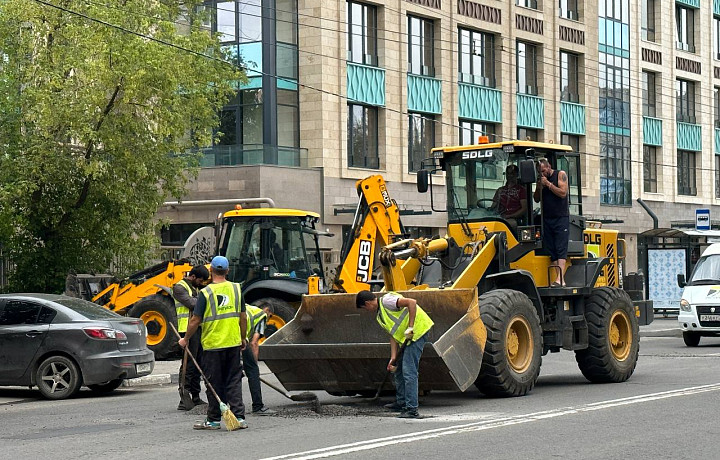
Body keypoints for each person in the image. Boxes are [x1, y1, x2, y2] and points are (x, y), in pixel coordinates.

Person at [179, 255, 249, 430]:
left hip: (213, 344)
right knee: (234, 380)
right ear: (228, 271)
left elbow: (195, 320)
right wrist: (243, 337)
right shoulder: (236, 289)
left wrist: (185, 339)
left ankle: (213, 420)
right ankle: (239, 417)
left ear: (210, 271)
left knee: (213, 382)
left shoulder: (206, 292)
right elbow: (243, 317)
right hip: (232, 342)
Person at [355, 290, 434, 419]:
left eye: (365, 308)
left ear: (368, 303)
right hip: (406, 338)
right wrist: (393, 357)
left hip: (418, 331)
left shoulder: (387, 301)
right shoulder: (380, 316)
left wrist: (411, 327)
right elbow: (393, 335)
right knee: (398, 369)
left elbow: (412, 302)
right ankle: (401, 402)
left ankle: (412, 409)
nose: (367, 310)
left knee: (409, 371)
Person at [174, 264, 210, 410]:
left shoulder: (195, 288)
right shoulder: (179, 287)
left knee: (198, 363)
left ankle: (196, 396)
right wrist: (203, 301)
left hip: (198, 329)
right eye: (200, 281)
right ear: (193, 276)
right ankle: (184, 397)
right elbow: (191, 303)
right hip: (187, 330)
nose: (201, 284)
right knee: (189, 364)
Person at [533, 158, 570, 286]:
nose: (542, 174)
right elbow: (536, 199)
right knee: (551, 249)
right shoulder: (541, 180)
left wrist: (548, 184)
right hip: (547, 218)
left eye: (543, 171)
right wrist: (539, 186)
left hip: (560, 217)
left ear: (549, 166)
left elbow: (563, 193)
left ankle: (560, 279)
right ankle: (559, 278)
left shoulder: (560, 174)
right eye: (540, 172)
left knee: (560, 247)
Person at [243, 302, 276, 415]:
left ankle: (226, 407)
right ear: (266, 310)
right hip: (240, 340)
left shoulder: (247, 307)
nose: (268, 319)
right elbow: (254, 343)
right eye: (270, 315)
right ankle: (258, 406)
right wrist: (254, 365)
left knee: (231, 374)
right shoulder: (261, 315)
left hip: (225, 340)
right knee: (253, 371)